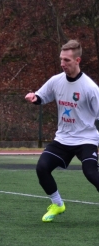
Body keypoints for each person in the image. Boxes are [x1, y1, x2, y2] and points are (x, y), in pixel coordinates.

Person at [25, 39, 99, 222]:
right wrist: (34, 98)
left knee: (91, 172)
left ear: (77, 60)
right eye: (61, 59)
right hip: (63, 139)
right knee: (42, 168)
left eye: (66, 60)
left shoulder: (90, 88)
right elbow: (42, 96)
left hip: (86, 138)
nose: (62, 64)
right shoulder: (56, 81)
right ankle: (57, 204)